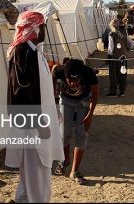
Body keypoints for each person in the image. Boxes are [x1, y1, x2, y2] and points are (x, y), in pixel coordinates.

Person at [6, 11, 64, 203]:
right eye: (43, 27)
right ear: (34, 28)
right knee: (38, 180)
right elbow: (21, 93)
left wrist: (53, 109)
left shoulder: (34, 51)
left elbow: (40, 88)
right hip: (32, 129)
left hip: (40, 123)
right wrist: (39, 123)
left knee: (31, 181)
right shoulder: (22, 53)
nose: (45, 31)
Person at [52, 59, 99, 185]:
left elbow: (95, 93)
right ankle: (65, 160)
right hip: (65, 100)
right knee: (63, 133)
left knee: (81, 133)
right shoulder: (61, 71)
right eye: (69, 80)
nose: (72, 83)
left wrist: (90, 114)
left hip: (83, 101)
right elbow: (53, 71)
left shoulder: (89, 73)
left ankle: (75, 171)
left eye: (76, 80)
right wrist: (54, 95)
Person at [107, 17, 134, 97]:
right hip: (123, 57)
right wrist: (126, 49)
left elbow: (110, 49)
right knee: (123, 74)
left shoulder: (111, 34)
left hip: (115, 58)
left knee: (114, 75)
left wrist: (109, 56)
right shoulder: (124, 33)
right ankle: (122, 92)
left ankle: (113, 92)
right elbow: (131, 44)